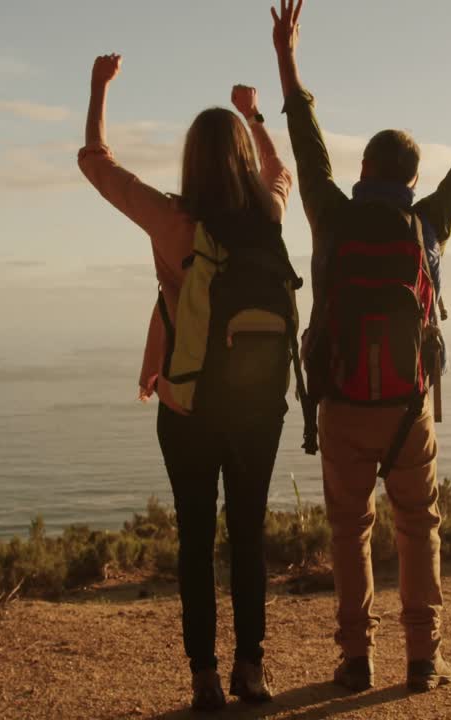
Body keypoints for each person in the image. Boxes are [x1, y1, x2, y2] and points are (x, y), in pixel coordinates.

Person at [269, 0, 451, 694]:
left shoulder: (330, 214)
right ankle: (423, 659)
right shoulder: (427, 222)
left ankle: (355, 660)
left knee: (349, 533)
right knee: (418, 528)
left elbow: (305, 144)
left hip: (338, 404)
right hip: (406, 409)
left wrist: (288, 57)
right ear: (414, 180)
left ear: (363, 166)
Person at [77, 53, 294, 711]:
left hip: (188, 405)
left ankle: (203, 677)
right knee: (249, 539)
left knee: (197, 542)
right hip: (259, 407)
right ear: (241, 161)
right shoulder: (270, 217)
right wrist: (254, 114)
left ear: (191, 163)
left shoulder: (171, 222)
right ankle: (251, 671)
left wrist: (98, 88)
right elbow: (279, 171)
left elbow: (96, 162)